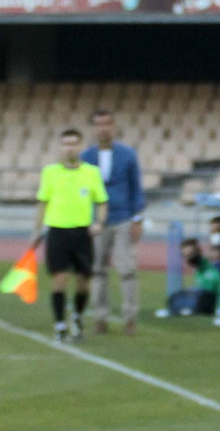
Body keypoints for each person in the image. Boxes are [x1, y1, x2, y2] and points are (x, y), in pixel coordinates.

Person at [31, 128, 107, 344]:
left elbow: (102, 202)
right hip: (57, 231)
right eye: (65, 143)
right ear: (60, 147)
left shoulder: (91, 172)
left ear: (81, 146)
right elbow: (42, 202)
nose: (69, 147)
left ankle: (77, 316)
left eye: (74, 143)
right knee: (59, 279)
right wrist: (36, 231)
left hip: (82, 233)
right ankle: (60, 324)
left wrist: (99, 223)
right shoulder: (50, 172)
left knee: (84, 282)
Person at [80, 110, 144, 335]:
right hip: (97, 221)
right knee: (98, 270)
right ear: (93, 128)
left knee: (127, 269)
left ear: (113, 126)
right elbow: (83, 191)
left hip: (123, 218)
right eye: (98, 124)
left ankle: (130, 317)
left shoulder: (127, 154)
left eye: (107, 123)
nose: (103, 128)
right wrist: (86, 221)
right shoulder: (86, 157)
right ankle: (100, 318)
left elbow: (136, 186)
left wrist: (138, 218)